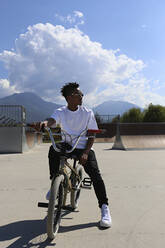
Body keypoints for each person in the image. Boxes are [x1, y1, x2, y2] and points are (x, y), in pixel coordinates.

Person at [40, 82, 112, 228]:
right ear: (69, 97)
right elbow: (52, 120)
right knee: (52, 150)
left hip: (83, 146)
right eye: (78, 94)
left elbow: (91, 135)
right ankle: (55, 182)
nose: (82, 96)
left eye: (82, 94)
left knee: (95, 175)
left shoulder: (87, 113)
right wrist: (45, 123)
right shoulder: (60, 111)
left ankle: (105, 209)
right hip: (67, 145)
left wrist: (86, 152)